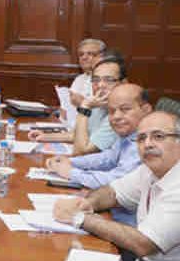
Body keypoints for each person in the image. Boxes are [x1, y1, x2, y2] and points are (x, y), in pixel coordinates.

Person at [53, 111, 180, 261]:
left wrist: (81, 218)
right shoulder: (150, 171)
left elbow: (143, 243)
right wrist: (89, 203)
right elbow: (112, 192)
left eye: (158, 136)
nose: (147, 144)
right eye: (141, 138)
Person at [45, 84, 152, 225]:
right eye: (112, 111)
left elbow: (115, 182)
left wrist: (70, 172)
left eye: (125, 109)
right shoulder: (129, 135)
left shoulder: (147, 143)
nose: (117, 116)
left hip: (127, 228)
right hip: (108, 214)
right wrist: (71, 162)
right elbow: (107, 158)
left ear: (146, 110)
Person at [29, 53, 122, 155]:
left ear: (123, 83)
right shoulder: (97, 104)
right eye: (96, 79)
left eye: (108, 80)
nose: (100, 85)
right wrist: (44, 137)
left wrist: (84, 108)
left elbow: (84, 149)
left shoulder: (120, 114)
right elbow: (78, 135)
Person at [69, 39, 106, 107]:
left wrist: (83, 103)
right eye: (81, 54)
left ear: (102, 57)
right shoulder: (79, 79)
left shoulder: (108, 79)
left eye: (90, 54)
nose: (84, 57)